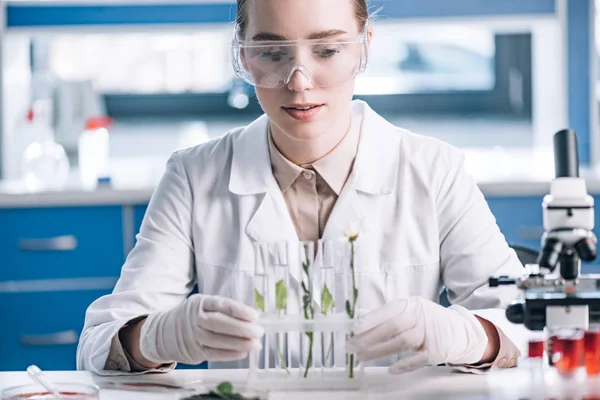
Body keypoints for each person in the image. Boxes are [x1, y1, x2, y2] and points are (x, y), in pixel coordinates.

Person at [77, 0, 526, 376]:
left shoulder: (434, 171)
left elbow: (527, 325)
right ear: (242, 56)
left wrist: (466, 335)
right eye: (272, 54)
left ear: (364, 48)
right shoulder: (194, 176)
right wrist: (157, 336)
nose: (298, 80)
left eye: (327, 50)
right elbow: (96, 346)